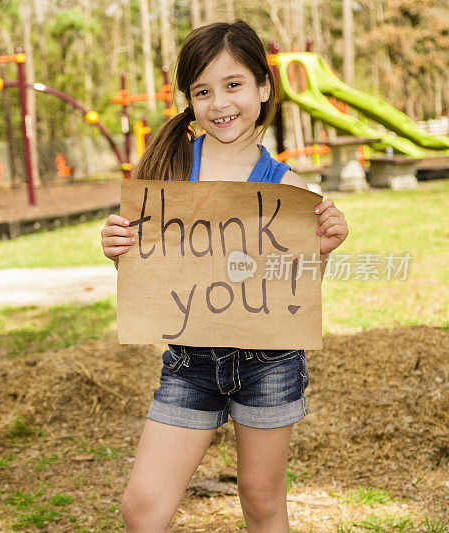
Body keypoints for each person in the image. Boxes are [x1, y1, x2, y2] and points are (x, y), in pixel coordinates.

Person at [99, 20, 349, 532]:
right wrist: (117, 249)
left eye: (233, 85)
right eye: (203, 91)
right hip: (190, 362)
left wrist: (320, 251)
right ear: (189, 101)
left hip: (269, 365)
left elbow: (289, 293)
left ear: (262, 87)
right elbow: (151, 266)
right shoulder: (167, 173)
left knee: (262, 504)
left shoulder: (287, 186)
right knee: (142, 507)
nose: (220, 103)